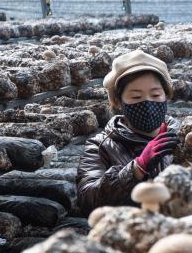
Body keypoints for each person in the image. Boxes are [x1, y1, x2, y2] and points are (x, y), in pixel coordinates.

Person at [77, 49, 181, 213]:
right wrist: (135, 170)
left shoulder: (183, 138)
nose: (147, 103)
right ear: (118, 101)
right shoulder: (100, 146)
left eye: (155, 95)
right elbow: (87, 199)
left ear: (166, 95)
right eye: (136, 97)